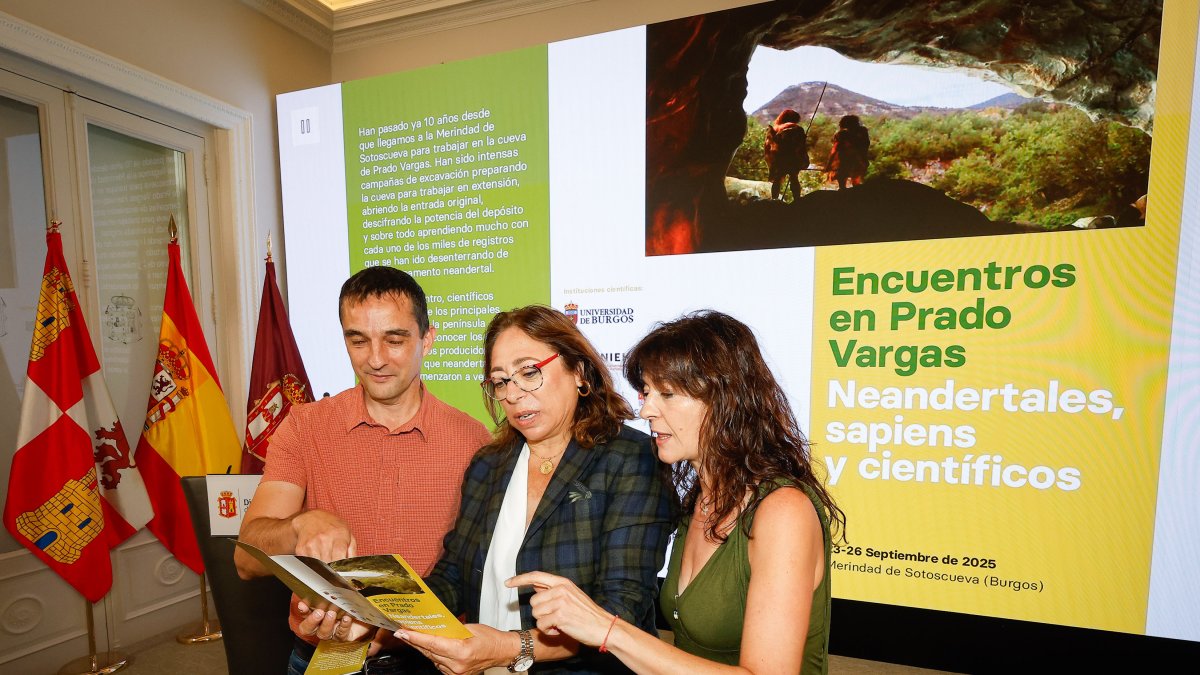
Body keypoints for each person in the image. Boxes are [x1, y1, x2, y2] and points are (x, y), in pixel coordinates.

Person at [507, 310, 845, 674]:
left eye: (667, 394)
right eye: (648, 392)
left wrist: (607, 630)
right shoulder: (700, 501)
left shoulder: (783, 511)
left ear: (725, 399)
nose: (647, 409)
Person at [233, 266, 492, 674]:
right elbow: (245, 559)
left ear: (428, 339)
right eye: (358, 340)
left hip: (432, 661)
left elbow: (479, 576)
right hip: (323, 656)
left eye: (394, 340)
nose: (375, 359)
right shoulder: (304, 426)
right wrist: (299, 526)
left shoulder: (474, 440)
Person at [394, 304, 675, 674]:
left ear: (578, 371)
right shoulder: (488, 465)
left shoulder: (630, 457)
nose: (513, 394)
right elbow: (453, 579)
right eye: (500, 381)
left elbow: (621, 608)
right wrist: (382, 613)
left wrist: (510, 647)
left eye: (529, 372)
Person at [763, 108, 809, 202]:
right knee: (794, 178)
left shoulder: (775, 129)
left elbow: (768, 147)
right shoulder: (797, 128)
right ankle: (797, 201)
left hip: (779, 159)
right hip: (793, 159)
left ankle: (774, 201)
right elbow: (801, 146)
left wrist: (771, 164)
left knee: (777, 180)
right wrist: (804, 159)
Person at [828, 114, 870, 189]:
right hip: (860, 161)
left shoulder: (842, 134)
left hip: (845, 162)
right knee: (856, 182)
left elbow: (835, 150)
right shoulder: (863, 132)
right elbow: (865, 145)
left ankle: (844, 195)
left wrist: (829, 165)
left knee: (842, 182)